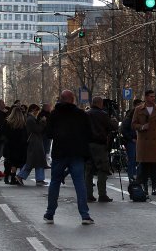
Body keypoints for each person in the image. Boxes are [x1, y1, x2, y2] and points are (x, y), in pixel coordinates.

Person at [43, 90, 94, 225]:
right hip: (77, 152)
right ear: (72, 99)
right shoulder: (81, 114)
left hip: (60, 152)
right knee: (79, 183)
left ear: (61, 99)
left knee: (55, 183)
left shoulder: (54, 114)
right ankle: (84, 215)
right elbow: (89, 133)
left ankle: (50, 213)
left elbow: (48, 133)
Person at [132, 89, 156, 196]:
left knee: (153, 166)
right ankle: (144, 187)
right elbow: (133, 124)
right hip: (143, 142)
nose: (153, 98)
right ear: (146, 97)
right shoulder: (139, 109)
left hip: (154, 142)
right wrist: (142, 127)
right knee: (143, 167)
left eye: (154, 97)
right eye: (151, 96)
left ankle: (154, 187)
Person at [84, 97, 117, 202]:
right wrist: (114, 120)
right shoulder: (103, 114)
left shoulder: (86, 114)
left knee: (88, 170)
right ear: (100, 103)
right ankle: (102, 194)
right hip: (100, 145)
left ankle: (88, 194)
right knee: (102, 169)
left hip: (88, 144)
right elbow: (112, 126)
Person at [17, 104, 47, 186]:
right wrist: (43, 122)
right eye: (37, 110)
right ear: (33, 110)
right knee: (33, 161)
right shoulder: (30, 119)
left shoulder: (31, 118)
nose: (38, 112)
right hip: (35, 142)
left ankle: (39, 179)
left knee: (36, 161)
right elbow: (38, 129)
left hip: (35, 142)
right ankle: (21, 176)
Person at [3, 106, 28, 184]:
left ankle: (7, 177)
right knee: (16, 162)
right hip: (19, 145)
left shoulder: (8, 122)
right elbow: (24, 135)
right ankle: (13, 178)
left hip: (9, 144)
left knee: (9, 161)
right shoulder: (22, 123)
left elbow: (4, 133)